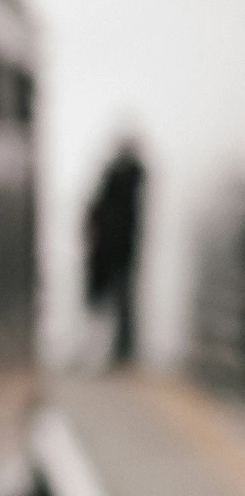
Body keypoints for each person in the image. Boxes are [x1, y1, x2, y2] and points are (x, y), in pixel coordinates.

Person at [84, 140, 145, 368]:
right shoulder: (131, 185)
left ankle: (116, 352)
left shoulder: (119, 183)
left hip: (112, 253)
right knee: (121, 304)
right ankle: (120, 352)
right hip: (121, 252)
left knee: (111, 303)